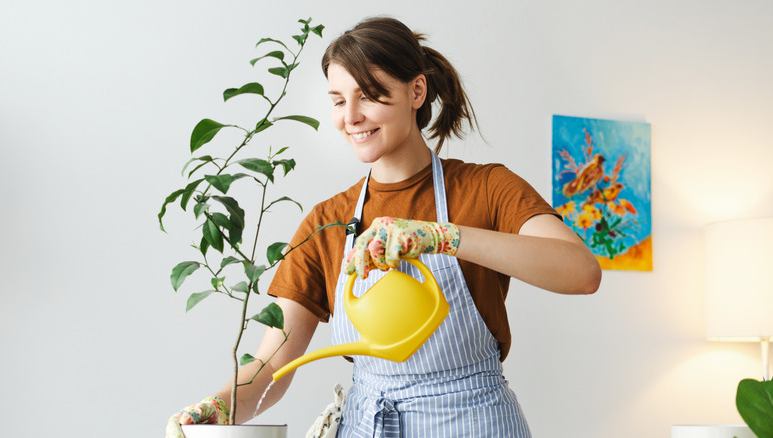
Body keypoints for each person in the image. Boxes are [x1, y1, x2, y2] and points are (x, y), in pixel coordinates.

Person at [166, 16, 601, 438]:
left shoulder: (486, 188)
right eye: (338, 100)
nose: (350, 116)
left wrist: (441, 236)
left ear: (417, 90)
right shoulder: (326, 223)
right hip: (368, 426)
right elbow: (272, 366)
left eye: (368, 95)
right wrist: (220, 405)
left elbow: (582, 273)